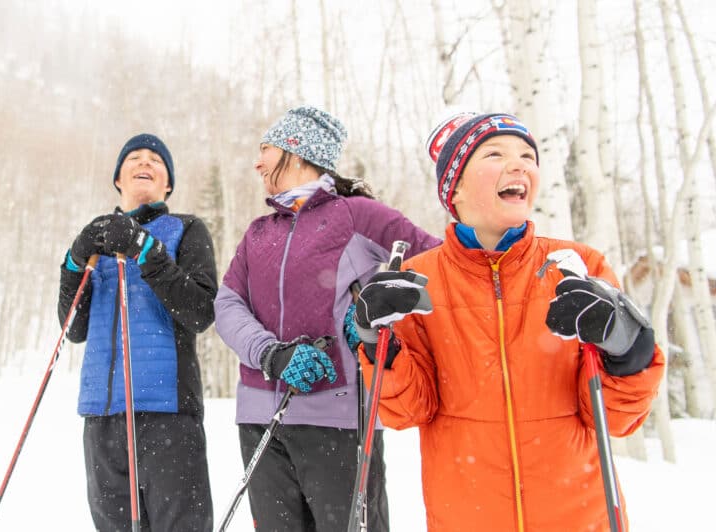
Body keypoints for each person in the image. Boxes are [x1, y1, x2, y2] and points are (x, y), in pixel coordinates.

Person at [352, 112, 665, 531]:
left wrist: (628, 345)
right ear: (455, 188)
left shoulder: (577, 267)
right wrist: (376, 342)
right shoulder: (418, 282)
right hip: (467, 517)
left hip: (578, 516)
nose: (519, 165)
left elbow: (616, 416)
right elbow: (408, 408)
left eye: (527, 156)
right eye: (495, 154)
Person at [214, 106, 441, 531]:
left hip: (338, 420)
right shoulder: (258, 232)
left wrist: (374, 311)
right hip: (261, 420)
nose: (257, 162)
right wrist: (270, 354)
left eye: (266, 149)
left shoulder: (357, 215)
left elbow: (441, 271)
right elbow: (227, 305)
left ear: (296, 152)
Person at [57, 133, 216, 531]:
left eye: (156, 160)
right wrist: (74, 263)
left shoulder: (187, 228)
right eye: (134, 157)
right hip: (102, 415)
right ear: (118, 179)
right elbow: (73, 328)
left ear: (168, 184)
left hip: (167, 412)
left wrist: (145, 250)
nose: (144, 162)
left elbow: (200, 311)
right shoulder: (96, 240)